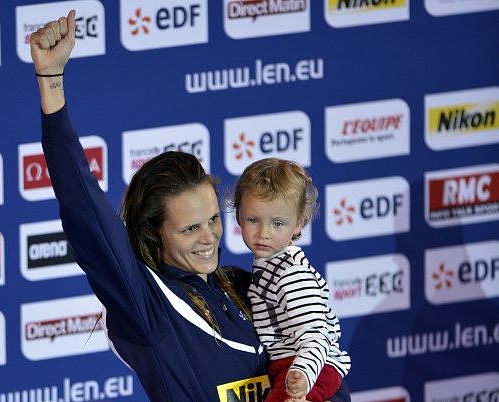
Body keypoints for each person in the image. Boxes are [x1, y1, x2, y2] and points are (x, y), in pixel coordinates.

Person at [30, 11, 351, 402]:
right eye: (189, 229)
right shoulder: (148, 307)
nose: (208, 238)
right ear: (156, 232)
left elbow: (326, 373)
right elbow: (86, 212)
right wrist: (52, 84)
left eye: (213, 220)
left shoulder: (247, 285)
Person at [232, 158, 351, 402]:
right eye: (253, 220)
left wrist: (303, 373)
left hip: (311, 368)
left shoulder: (291, 274)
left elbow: (316, 334)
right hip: (290, 366)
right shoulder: (268, 267)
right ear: (239, 216)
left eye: (277, 223)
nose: (263, 233)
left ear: (298, 222)